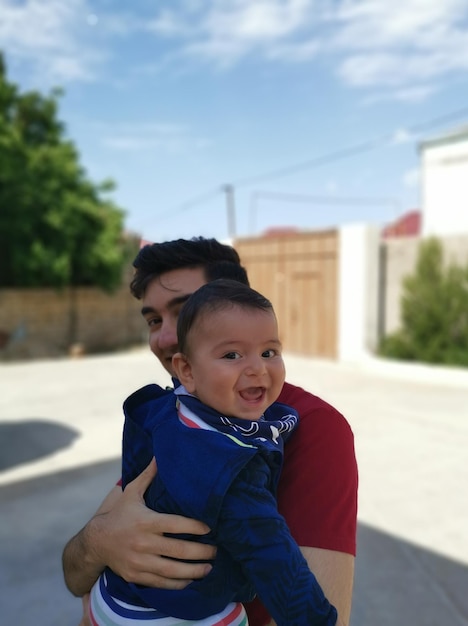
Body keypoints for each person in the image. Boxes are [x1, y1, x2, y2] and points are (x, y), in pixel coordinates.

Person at [62, 237, 358, 626]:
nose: (165, 338)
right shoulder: (176, 415)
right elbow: (74, 573)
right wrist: (101, 541)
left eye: (184, 312)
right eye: (154, 320)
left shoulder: (316, 428)